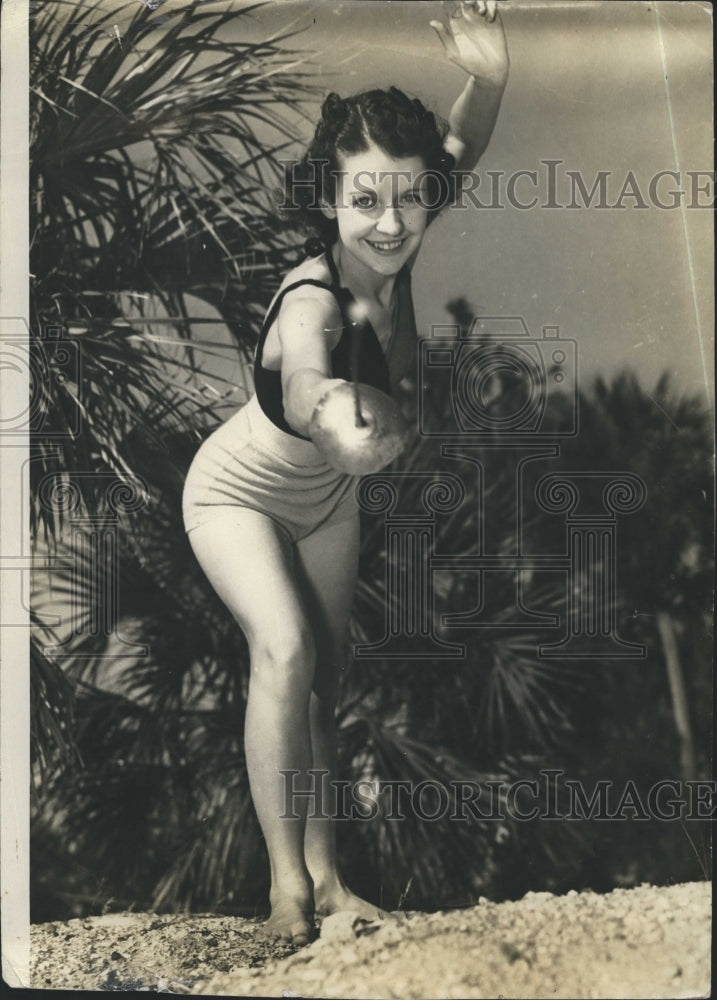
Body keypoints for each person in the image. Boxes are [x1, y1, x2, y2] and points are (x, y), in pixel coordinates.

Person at [182, 0, 509, 947]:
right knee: (282, 650)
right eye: (364, 200)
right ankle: (284, 890)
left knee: (326, 684)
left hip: (326, 507)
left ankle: (329, 883)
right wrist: (337, 410)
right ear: (327, 198)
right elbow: (309, 372)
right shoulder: (311, 297)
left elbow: (458, 143)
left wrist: (490, 76)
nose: (393, 221)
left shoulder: (396, 238)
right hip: (235, 494)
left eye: (410, 198)